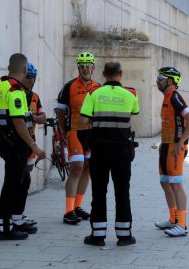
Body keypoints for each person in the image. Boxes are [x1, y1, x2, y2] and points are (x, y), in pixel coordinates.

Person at [0, 53, 45, 240]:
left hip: (5, 142)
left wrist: (1, 130)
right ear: (25, 69)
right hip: (16, 144)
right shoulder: (16, 90)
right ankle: (3, 227)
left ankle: (16, 219)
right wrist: (34, 145)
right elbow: (18, 121)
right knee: (12, 183)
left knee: (23, 180)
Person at [80, 62, 139, 247]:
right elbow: (134, 112)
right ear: (120, 74)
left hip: (100, 150)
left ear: (104, 74)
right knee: (122, 192)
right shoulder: (130, 94)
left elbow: (83, 119)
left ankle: (97, 236)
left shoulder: (94, 93)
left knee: (99, 192)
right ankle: (124, 235)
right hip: (122, 151)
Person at [57, 52, 100, 225]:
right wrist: (64, 131)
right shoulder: (69, 87)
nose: (85, 69)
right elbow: (60, 112)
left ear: (93, 67)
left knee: (88, 169)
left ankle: (77, 206)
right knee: (76, 169)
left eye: (88, 65)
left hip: (92, 134)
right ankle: (68, 211)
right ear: (78, 68)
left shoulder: (99, 87)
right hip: (74, 131)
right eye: (81, 66)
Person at [154, 66, 189, 237]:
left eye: (160, 77)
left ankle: (182, 225)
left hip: (174, 147)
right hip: (166, 145)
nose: (157, 80)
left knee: (176, 185)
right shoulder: (167, 97)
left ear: (170, 81)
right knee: (165, 182)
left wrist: (181, 143)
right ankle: (173, 219)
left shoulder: (175, 97)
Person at [15, 62, 46, 229]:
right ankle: (15, 214)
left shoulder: (34, 96)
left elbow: (43, 117)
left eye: (34, 77)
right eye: (29, 76)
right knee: (19, 179)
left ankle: (18, 213)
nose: (31, 80)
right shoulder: (15, 93)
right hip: (18, 141)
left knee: (25, 177)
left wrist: (31, 117)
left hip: (31, 141)